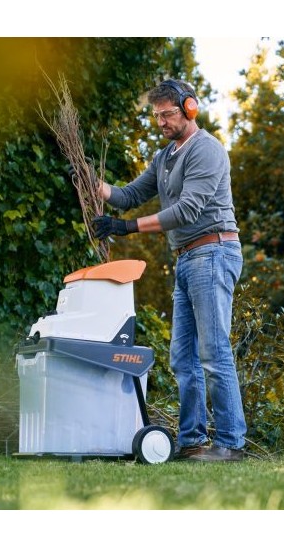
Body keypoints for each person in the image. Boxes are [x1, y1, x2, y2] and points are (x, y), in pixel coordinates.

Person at [92, 79, 246, 462]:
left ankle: (230, 444)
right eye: (157, 115)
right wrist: (92, 184)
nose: (161, 122)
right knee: (182, 358)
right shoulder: (164, 158)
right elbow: (129, 195)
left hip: (213, 252)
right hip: (186, 259)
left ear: (190, 108)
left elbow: (187, 210)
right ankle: (192, 441)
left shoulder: (206, 150)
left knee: (213, 351)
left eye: (168, 114)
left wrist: (126, 227)